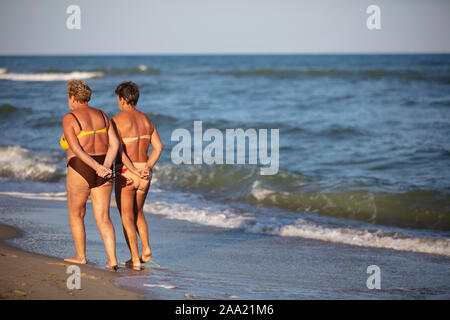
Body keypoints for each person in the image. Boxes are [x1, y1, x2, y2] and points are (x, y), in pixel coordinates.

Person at [61, 80, 120, 270]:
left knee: (76, 214)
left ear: (72, 97)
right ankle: (112, 260)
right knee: (104, 218)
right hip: (104, 167)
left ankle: (81, 257)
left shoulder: (69, 117)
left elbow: (76, 149)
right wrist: (105, 166)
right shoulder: (103, 115)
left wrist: (95, 166)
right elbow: (115, 145)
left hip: (81, 167)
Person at [112, 81, 163, 269]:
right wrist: (147, 166)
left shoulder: (116, 121)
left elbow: (119, 152)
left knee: (126, 217)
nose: (118, 102)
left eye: (118, 98)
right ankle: (146, 247)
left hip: (127, 172)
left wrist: (132, 170)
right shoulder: (147, 120)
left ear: (123, 99)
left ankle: (135, 259)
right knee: (138, 212)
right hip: (145, 174)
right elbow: (158, 147)